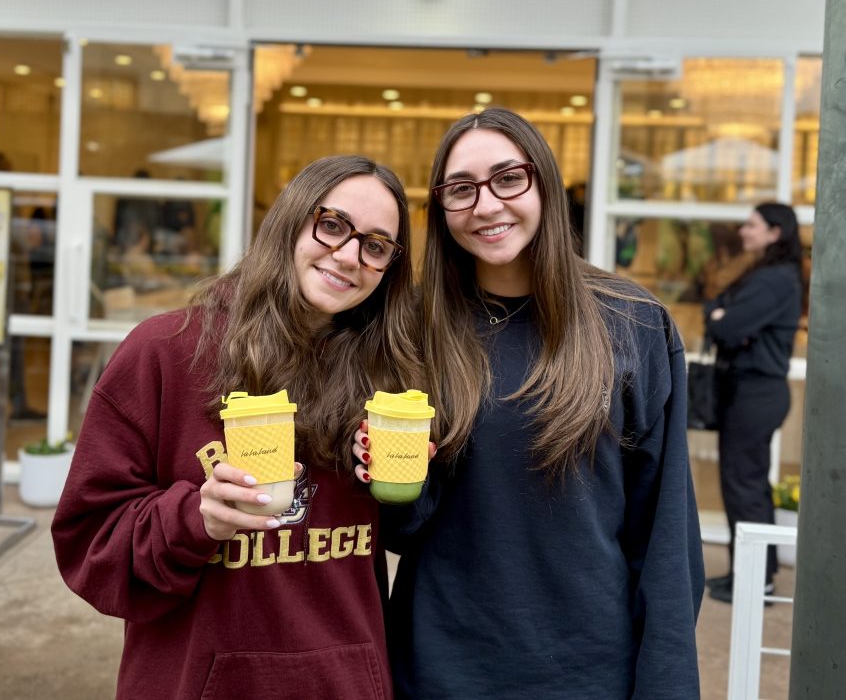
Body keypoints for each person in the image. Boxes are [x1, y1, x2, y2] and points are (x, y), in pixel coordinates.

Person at [358, 108, 704, 699]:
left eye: (508, 178)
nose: (486, 205)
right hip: (441, 664)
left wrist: (666, 684)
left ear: (542, 181)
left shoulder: (630, 323)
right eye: (461, 189)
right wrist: (393, 480)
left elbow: (666, 537)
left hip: (588, 668)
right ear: (441, 210)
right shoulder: (412, 327)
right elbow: (402, 528)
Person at [52, 155, 422, 700]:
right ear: (292, 220)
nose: (348, 256)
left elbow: (409, 538)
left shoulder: (389, 374)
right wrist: (197, 517)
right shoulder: (165, 352)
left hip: (344, 684)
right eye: (333, 225)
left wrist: (411, 484)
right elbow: (89, 546)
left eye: (376, 245)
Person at [703, 202, 803, 604]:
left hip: (756, 393)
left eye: (752, 225)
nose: (743, 231)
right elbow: (714, 310)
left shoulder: (775, 279)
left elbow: (726, 325)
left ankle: (755, 580)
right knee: (747, 485)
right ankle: (752, 574)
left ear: (775, 232)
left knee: (743, 486)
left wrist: (725, 320)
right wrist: (722, 317)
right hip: (748, 392)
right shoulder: (764, 274)